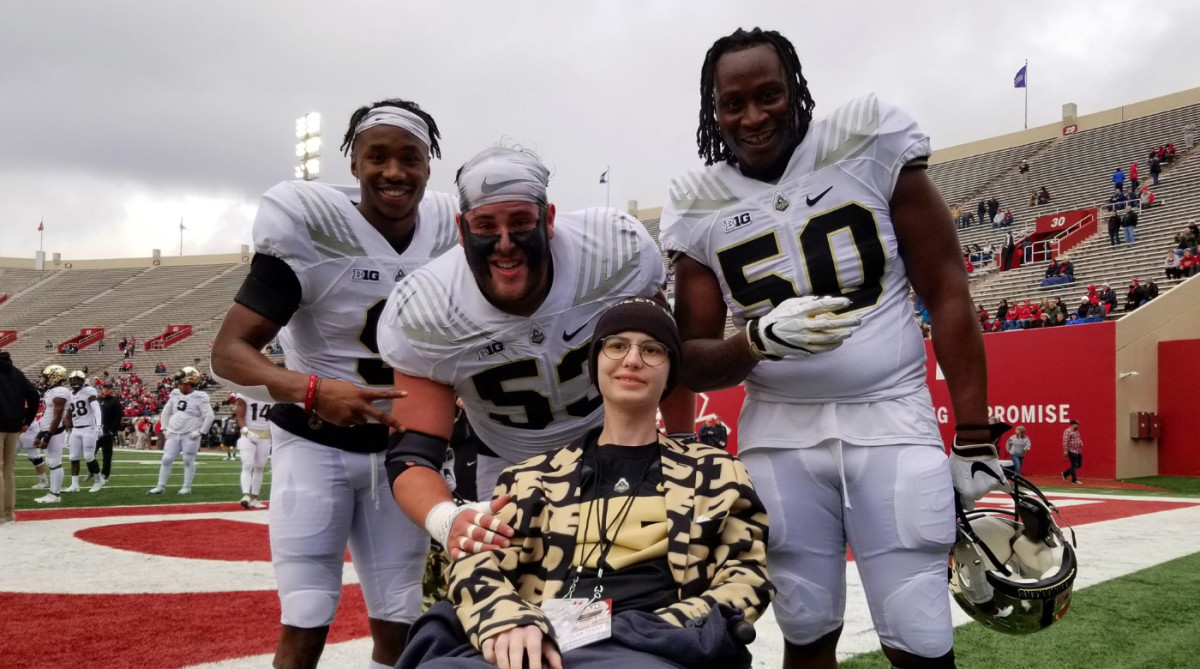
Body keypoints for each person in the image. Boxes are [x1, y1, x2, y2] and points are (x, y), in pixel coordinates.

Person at [660, 28, 1002, 668]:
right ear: (714, 111)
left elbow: (947, 288)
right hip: (780, 433)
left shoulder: (865, 141)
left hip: (892, 412)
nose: (753, 116)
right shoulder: (697, 200)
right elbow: (692, 356)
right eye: (733, 103)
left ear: (797, 90)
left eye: (769, 95)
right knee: (806, 622)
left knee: (919, 628)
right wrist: (755, 341)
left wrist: (976, 434)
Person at [210, 98, 456, 669]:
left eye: (410, 159)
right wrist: (313, 389)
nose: (393, 172)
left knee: (402, 625)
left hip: (404, 455)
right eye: (377, 157)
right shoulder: (312, 224)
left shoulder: (450, 231)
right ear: (352, 164)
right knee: (306, 620)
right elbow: (228, 353)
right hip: (314, 445)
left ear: (428, 166)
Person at [397, 299, 772, 669]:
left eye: (653, 349)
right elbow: (479, 559)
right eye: (617, 345)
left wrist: (634, 630)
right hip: (536, 636)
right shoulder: (531, 477)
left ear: (671, 371)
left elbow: (745, 580)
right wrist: (506, 619)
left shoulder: (716, 474)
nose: (632, 359)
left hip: (653, 643)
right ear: (596, 364)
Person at [376, 145, 692, 559]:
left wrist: (684, 446)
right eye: (485, 225)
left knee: (641, 588)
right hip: (507, 464)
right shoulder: (426, 307)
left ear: (549, 220)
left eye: (521, 222)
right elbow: (414, 453)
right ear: (461, 229)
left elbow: (667, 357)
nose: (505, 243)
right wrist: (446, 519)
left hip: (620, 446)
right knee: (522, 603)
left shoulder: (613, 250)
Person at [146, 367, 214, 495]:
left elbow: (209, 416)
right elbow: (166, 412)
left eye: (181, 383)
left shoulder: (200, 397)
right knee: (166, 459)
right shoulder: (175, 394)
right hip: (174, 433)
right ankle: (160, 486)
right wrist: (164, 428)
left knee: (188, 460)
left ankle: (187, 487)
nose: (179, 385)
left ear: (190, 383)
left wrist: (201, 432)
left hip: (190, 434)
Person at [0, 351, 41, 523]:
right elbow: (34, 395)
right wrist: (27, 420)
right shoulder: (17, 373)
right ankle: (9, 513)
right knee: (8, 470)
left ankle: (0, 515)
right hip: (15, 426)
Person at [33, 365, 72, 504]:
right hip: (48, 429)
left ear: (55, 376)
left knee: (55, 463)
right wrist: (40, 434)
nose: (45, 378)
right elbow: (47, 415)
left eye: (47, 376)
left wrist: (48, 436)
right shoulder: (54, 390)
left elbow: (57, 416)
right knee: (51, 462)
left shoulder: (60, 391)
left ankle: (55, 495)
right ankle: (53, 493)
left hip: (54, 431)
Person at [63, 370, 101, 493]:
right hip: (76, 429)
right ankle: (74, 485)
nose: (75, 382)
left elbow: (96, 409)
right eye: (73, 379)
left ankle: (99, 480)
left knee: (89, 456)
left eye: (78, 379)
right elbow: (68, 415)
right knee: (73, 457)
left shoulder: (88, 391)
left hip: (88, 427)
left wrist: (98, 425)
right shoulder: (69, 394)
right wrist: (67, 431)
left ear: (83, 381)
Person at [234, 393, 272, 509]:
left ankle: (255, 498)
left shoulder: (271, 394)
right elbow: (239, 415)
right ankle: (246, 495)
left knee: (260, 466)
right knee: (247, 464)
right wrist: (246, 431)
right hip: (249, 433)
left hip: (266, 435)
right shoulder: (246, 393)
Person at [95, 382, 122, 491]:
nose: (106, 389)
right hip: (97, 430)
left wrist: (112, 431)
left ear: (111, 390)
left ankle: (105, 474)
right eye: (104, 388)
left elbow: (118, 417)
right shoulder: (98, 400)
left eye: (108, 388)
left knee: (107, 454)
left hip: (107, 431)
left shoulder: (115, 401)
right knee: (91, 453)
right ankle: (93, 471)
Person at [1062, 420, 1083, 485]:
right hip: (1071, 451)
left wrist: (1080, 442)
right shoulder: (1067, 431)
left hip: (1078, 451)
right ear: (1072, 424)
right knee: (1074, 465)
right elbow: (1065, 442)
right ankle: (1074, 480)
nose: (1078, 426)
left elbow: (1078, 438)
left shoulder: (1076, 431)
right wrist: (1065, 451)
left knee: (1079, 464)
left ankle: (1065, 474)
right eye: (1077, 424)